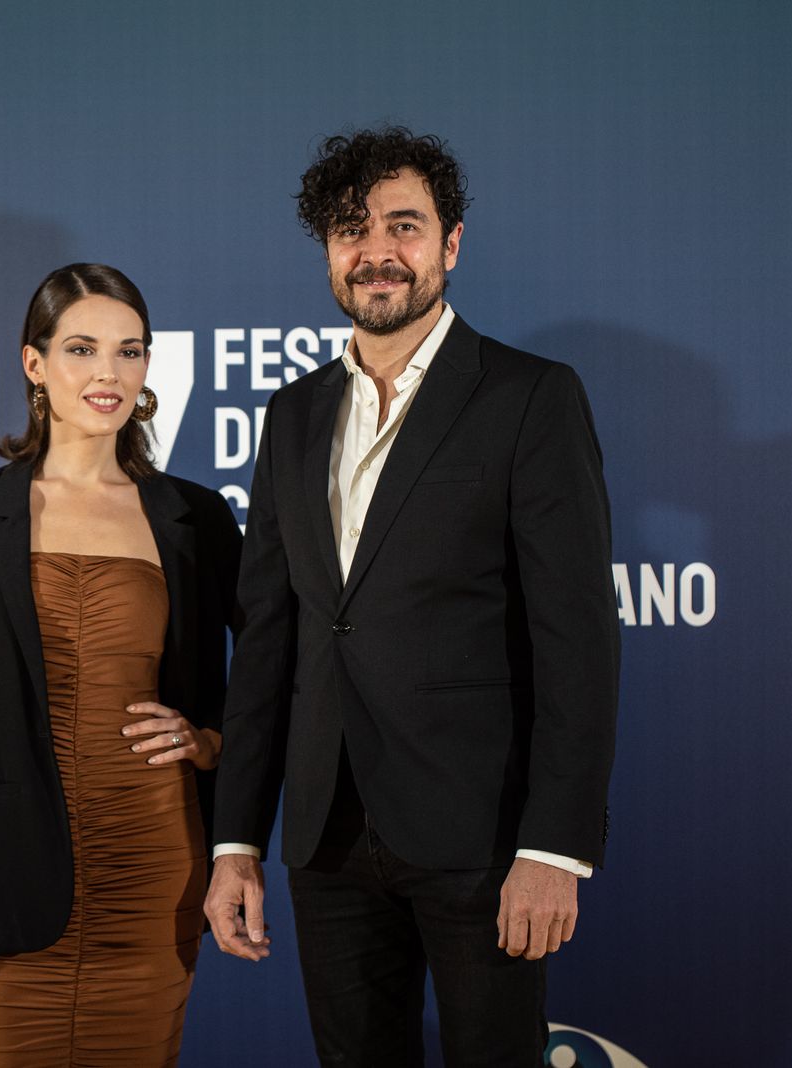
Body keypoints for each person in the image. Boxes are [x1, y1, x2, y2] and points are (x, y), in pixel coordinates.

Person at [204, 128, 621, 1066]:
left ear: (451, 244)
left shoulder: (529, 397)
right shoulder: (294, 414)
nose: (377, 251)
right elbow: (270, 637)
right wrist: (236, 839)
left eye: (405, 225)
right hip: (326, 837)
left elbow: (578, 641)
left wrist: (554, 848)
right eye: (352, 230)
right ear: (327, 251)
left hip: (482, 838)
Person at [0, 263, 242, 1067]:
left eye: (130, 352)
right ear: (33, 362)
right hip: (7, 877)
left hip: (153, 866)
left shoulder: (193, 516)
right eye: (82, 349)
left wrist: (210, 742)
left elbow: (273, 661)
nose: (107, 374)